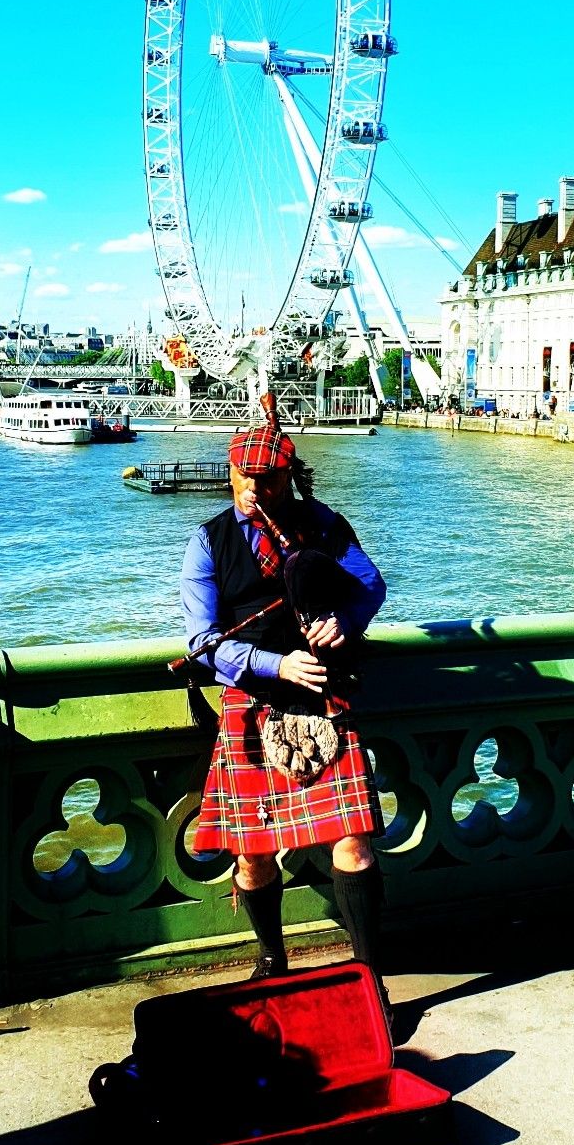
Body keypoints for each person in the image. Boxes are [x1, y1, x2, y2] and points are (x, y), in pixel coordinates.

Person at [180, 406, 387, 993]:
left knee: (353, 844)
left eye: (266, 480)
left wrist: (345, 621)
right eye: (243, 477)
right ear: (230, 474)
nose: (253, 489)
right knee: (251, 853)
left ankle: (371, 980)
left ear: (287, 477)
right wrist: (276, 664)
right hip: (252, 703)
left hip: (325, 695)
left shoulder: (322, 524)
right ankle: (272, 962)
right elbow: (201, 642)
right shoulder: (208, 543)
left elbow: (370, 584)